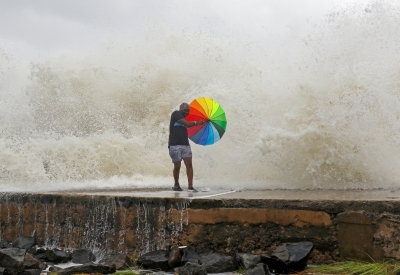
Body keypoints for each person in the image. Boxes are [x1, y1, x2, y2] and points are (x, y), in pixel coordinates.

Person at [168, 102, 205, 192]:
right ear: (181, 109)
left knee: (189, 165)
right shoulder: (176, 114)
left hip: (185, 145)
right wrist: (197, 122)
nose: (186, 113)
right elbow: (187, 124)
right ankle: (176, 185)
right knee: (177, 166)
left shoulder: (185, 118)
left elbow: (188, 124)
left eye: (188, 111)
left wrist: (204, 122)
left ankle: (190, 186)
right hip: (174, 145)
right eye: (185, 110)